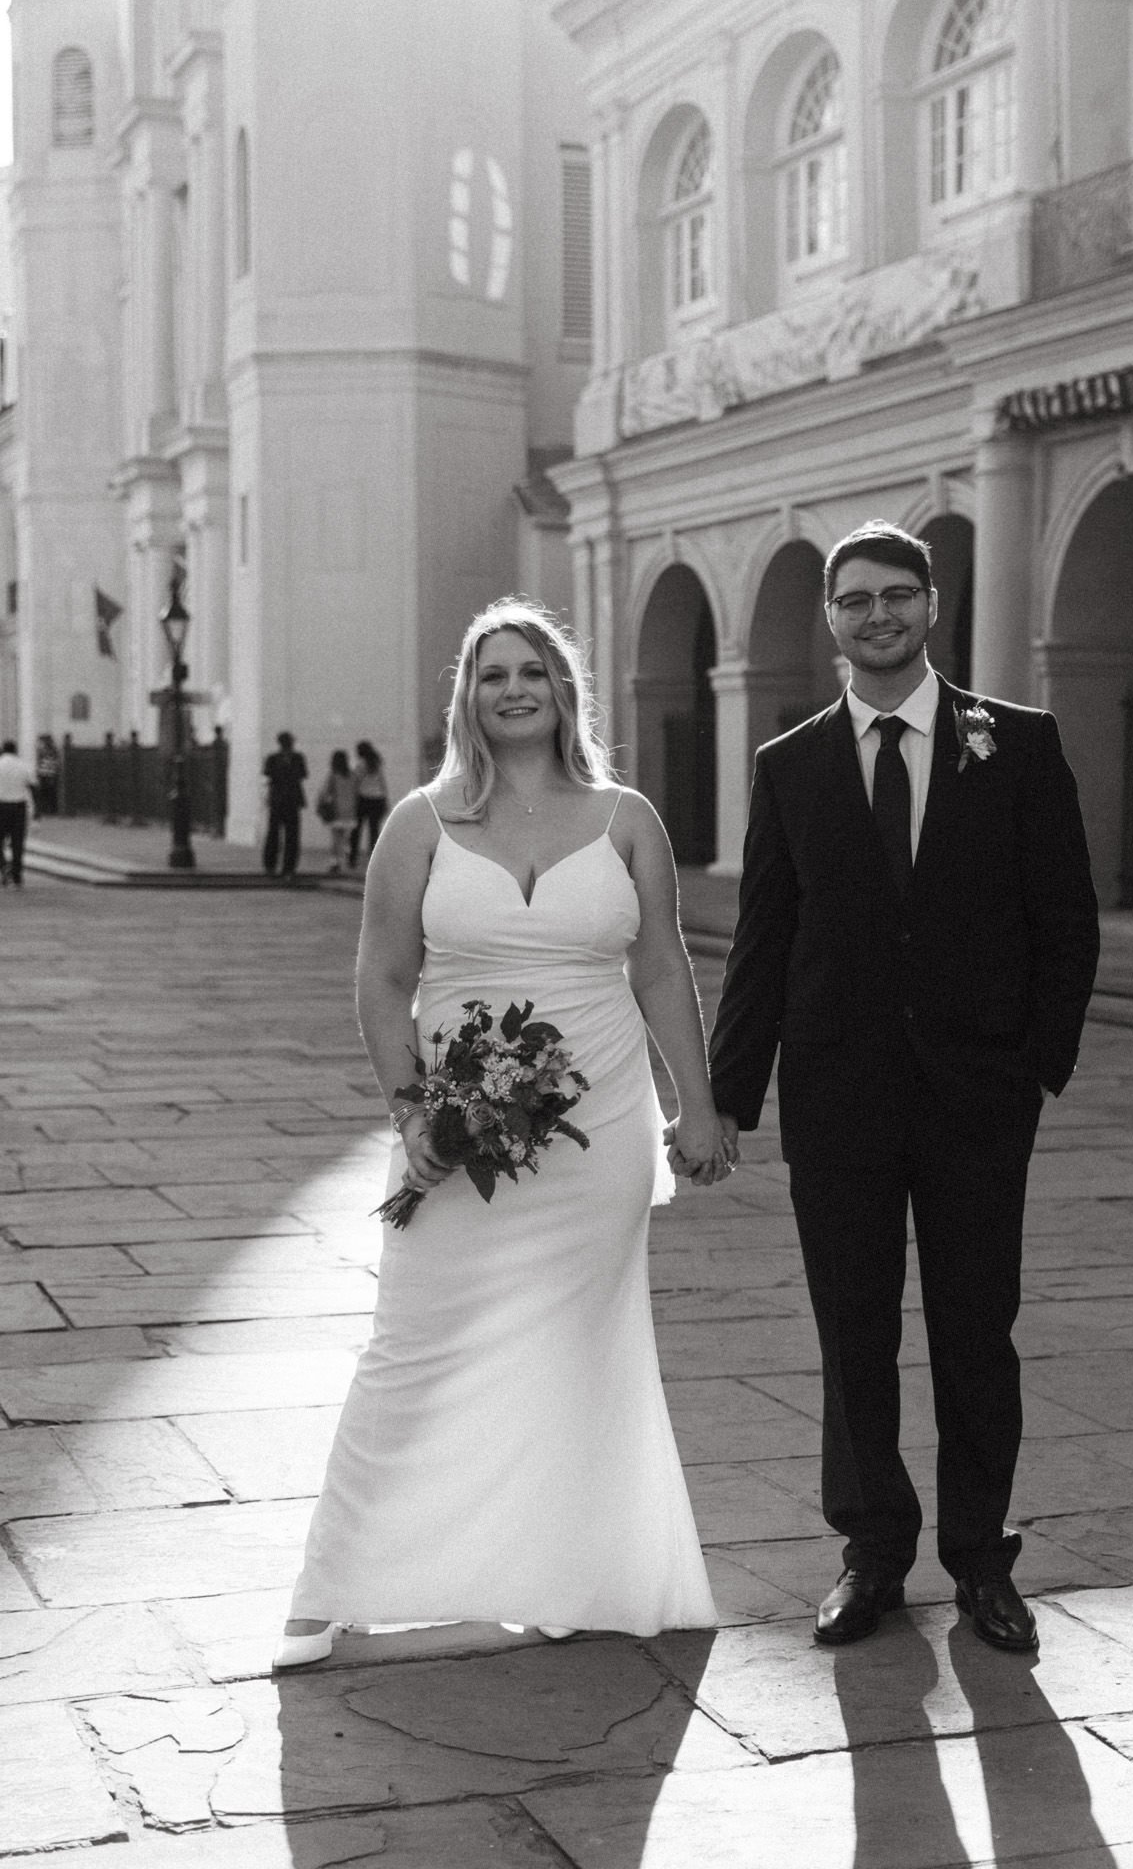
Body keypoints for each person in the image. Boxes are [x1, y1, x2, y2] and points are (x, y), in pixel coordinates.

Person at [274, 598, 725, 1670]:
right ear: (466, 697)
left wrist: (695, 1103)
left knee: (577, 1347)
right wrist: (413, 1107)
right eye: (491, 673)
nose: (513, 687)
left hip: (604, 1121)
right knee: (413, 1340)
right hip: (449, 1124)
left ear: (565, 690)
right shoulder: (422, 821)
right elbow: (383, 977)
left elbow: (661, 966)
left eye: (533, 669)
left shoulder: (626, 818)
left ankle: (565, 1571)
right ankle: (333, 1586)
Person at [704, 520, 1100, 1656]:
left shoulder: (1016, 744)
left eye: (897, 594)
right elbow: (765, 942)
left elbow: (1065, 920)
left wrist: (1036, 1064)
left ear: (931, 604)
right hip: (840, 1102)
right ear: (830, 618)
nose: (877, 614)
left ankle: (983, 1559)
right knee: (853, 1331)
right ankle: (872, 1552)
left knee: (979, 1330)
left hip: (980, 1102)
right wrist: (732, 1091)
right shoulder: (791, 763)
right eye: (855, 599)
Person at [262, 731, 308, 878]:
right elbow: (268, 773)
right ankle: (271, 865)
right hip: (278, 800)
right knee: (274, 834)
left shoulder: (297, 758)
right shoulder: (273, 758)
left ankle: (289, 867)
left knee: (292, 836)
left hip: (291, 800)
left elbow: (303, 774)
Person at [317, 748, 358, 875]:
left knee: (335, 838)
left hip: (336, 810)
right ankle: (346, 852)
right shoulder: (352, 775)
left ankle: (335, 862)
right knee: (346, 837)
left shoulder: (333, 775)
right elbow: (356, 791)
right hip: (350, 810)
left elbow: (325, 792)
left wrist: (320, 803)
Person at [0, 741, 36, 888]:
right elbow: (33, 787)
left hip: (1, 806)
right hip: (19, 807)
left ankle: (4, 866)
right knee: (17, 842)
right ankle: (17, 875)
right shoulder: (24, 766)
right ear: (16, 750)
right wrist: (37, 812)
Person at [348, 740, 388, 866]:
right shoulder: (378, 763)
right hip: (378, 799)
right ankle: (373, 859)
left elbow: (355, 783)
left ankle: (352, 858)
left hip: (363, 799)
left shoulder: (360, 765)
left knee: (356, 830)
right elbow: (382, 783)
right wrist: (385, 799)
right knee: (374, 830)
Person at [34, 734, 60, 817]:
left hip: (49, 773)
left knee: (50, 792)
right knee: (45, 792)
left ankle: (51, 810)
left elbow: (54, 762)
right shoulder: (47, 750)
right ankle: (46, 809)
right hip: (44, 773)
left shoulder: (52, 750)